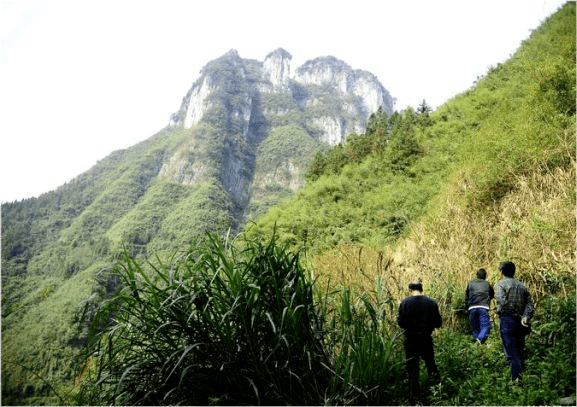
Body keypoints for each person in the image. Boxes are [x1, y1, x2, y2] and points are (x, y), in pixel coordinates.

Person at [398, 281, 443, 405]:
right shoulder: (431, 303)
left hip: (410, 341)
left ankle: (415, 399)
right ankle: (438, 393)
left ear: (410, 290)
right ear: (421, 289)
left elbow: (401, 323)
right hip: (426, 339)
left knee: (412, 370)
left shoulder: (405, 303)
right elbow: (438, 323)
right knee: (431, 364)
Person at [495, 261, 535, 381]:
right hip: (521, 322)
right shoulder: (522, 286)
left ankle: (517, 379)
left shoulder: (500, 285)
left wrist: (512, 313)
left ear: (502, 271)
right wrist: (525, 316)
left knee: (511, 350)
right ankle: (521, 376)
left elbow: (502, 302)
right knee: (519, 348)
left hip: (508, 319)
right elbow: (530, 304)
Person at [465, 268, 494, 344]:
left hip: (472, 307)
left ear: (477, 275)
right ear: (485, 276)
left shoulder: (471, 283)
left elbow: (467, 295)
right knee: (485, 326)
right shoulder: (487, 284)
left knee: (475, 327)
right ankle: (479, 340)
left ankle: (476, 344)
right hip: (483, 307)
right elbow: (492, 295)